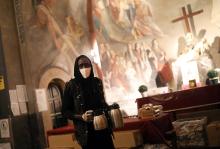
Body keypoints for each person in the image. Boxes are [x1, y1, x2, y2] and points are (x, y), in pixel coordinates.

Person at [62, 55, 115, 149]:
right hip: (86, 132)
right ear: (76, 68)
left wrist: (112, 108)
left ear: (91, 66)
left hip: (103, 127)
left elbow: (102, 104)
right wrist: (81, 116)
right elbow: (65, 111)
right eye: (81, 66)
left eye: (87, 65)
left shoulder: (97, 82)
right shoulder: (71, 85)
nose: (84, 68)